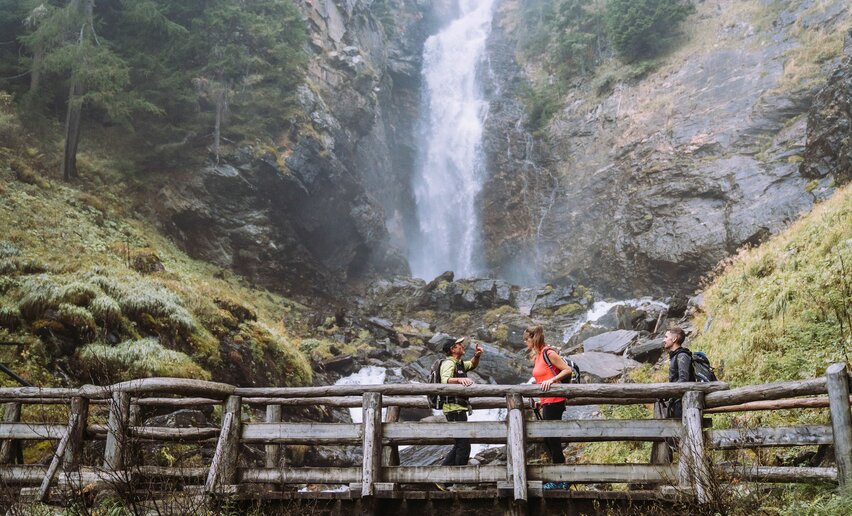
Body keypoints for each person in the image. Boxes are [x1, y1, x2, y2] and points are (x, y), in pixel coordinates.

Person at [525, 325, 572, 490]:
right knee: (548, 438)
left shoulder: (548, 353)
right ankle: (559, 477)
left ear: (534, 338)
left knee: (553, 438)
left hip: (556, 400)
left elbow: (567, 370)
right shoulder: (538, 356)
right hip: (547, 401)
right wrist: (540, 400)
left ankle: (562, 480)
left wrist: (552, 381)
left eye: (527, 339)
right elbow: (540, 379)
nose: (526, 343)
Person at [438, 336, 482, 469]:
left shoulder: (459, 363)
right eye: (459, 345)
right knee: (463, 446)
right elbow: (445, 380)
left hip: (459, 408)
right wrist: (459, 380)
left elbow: (472, 364)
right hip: (453, 409)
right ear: (453, 349)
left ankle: (443, 477)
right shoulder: (448, 363)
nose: (462, 346)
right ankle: (457, 479)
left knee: (460, 444)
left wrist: (477, 356)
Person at [663, 326, 694, 418]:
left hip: (682, 404)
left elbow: (683, 380)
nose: (663, 340)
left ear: (674, 339)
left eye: (666, 337)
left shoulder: (682, 356)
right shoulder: (676, 356)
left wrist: (668, 392)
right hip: (677, 401)